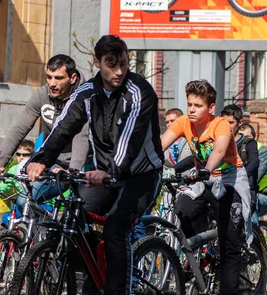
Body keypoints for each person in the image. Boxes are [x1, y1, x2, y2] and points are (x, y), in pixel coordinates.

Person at [25, 35, 163, 295]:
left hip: (141, 175)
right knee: (77, 216)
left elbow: (129, 141)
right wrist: (39, 161)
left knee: (115, 227)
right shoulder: (87, 92)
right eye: (111, 64)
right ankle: (93, 279)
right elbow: (62, 128)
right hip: (105, 175)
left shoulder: (139, 91)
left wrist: (110, 171)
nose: (119, 71)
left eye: (123, 63)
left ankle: (116, 290)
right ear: (97, 62)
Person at [160, 80, 251, 294]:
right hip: (201, 181)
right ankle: (205, 250)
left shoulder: (220, 124)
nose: (191, 109)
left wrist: (207, 169)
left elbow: (219, 151)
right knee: (181, 210)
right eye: (190, 104)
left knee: (229, 246)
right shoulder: (183, 122)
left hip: (229, 180)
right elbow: (160, 145)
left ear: (210, 108)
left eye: (197, 105)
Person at [0, 54, 90, 206]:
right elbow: (20, 128)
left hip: (84, 164)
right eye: (49, 77)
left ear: (72, 78)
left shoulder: (85, 97)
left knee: (79, 212)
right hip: (54, 161)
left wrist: (73, 170)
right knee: (24, 200)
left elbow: (82, 136)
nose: (52, 83)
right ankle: (42, 230)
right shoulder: (42, 95)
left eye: (58, 78)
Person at [221, 104, 260, 212]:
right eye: (223, 123)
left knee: (237, 220)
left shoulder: (248, 143)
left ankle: (248, 229)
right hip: (222, 189)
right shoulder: (218, 142)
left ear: (240, 123)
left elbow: (254, 162)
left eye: (231, 122)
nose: (226, 126)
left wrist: (238, 176)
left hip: (244, 191)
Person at [238, 123, 267, 224]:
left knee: (250, 199)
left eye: (248, 137)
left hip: (262, 196)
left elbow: (254, 176)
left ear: (255, 137)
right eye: (241, 137)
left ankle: (253, 235)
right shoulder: (235, 149)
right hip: (239, 191)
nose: (245, 141)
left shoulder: (263, 152)